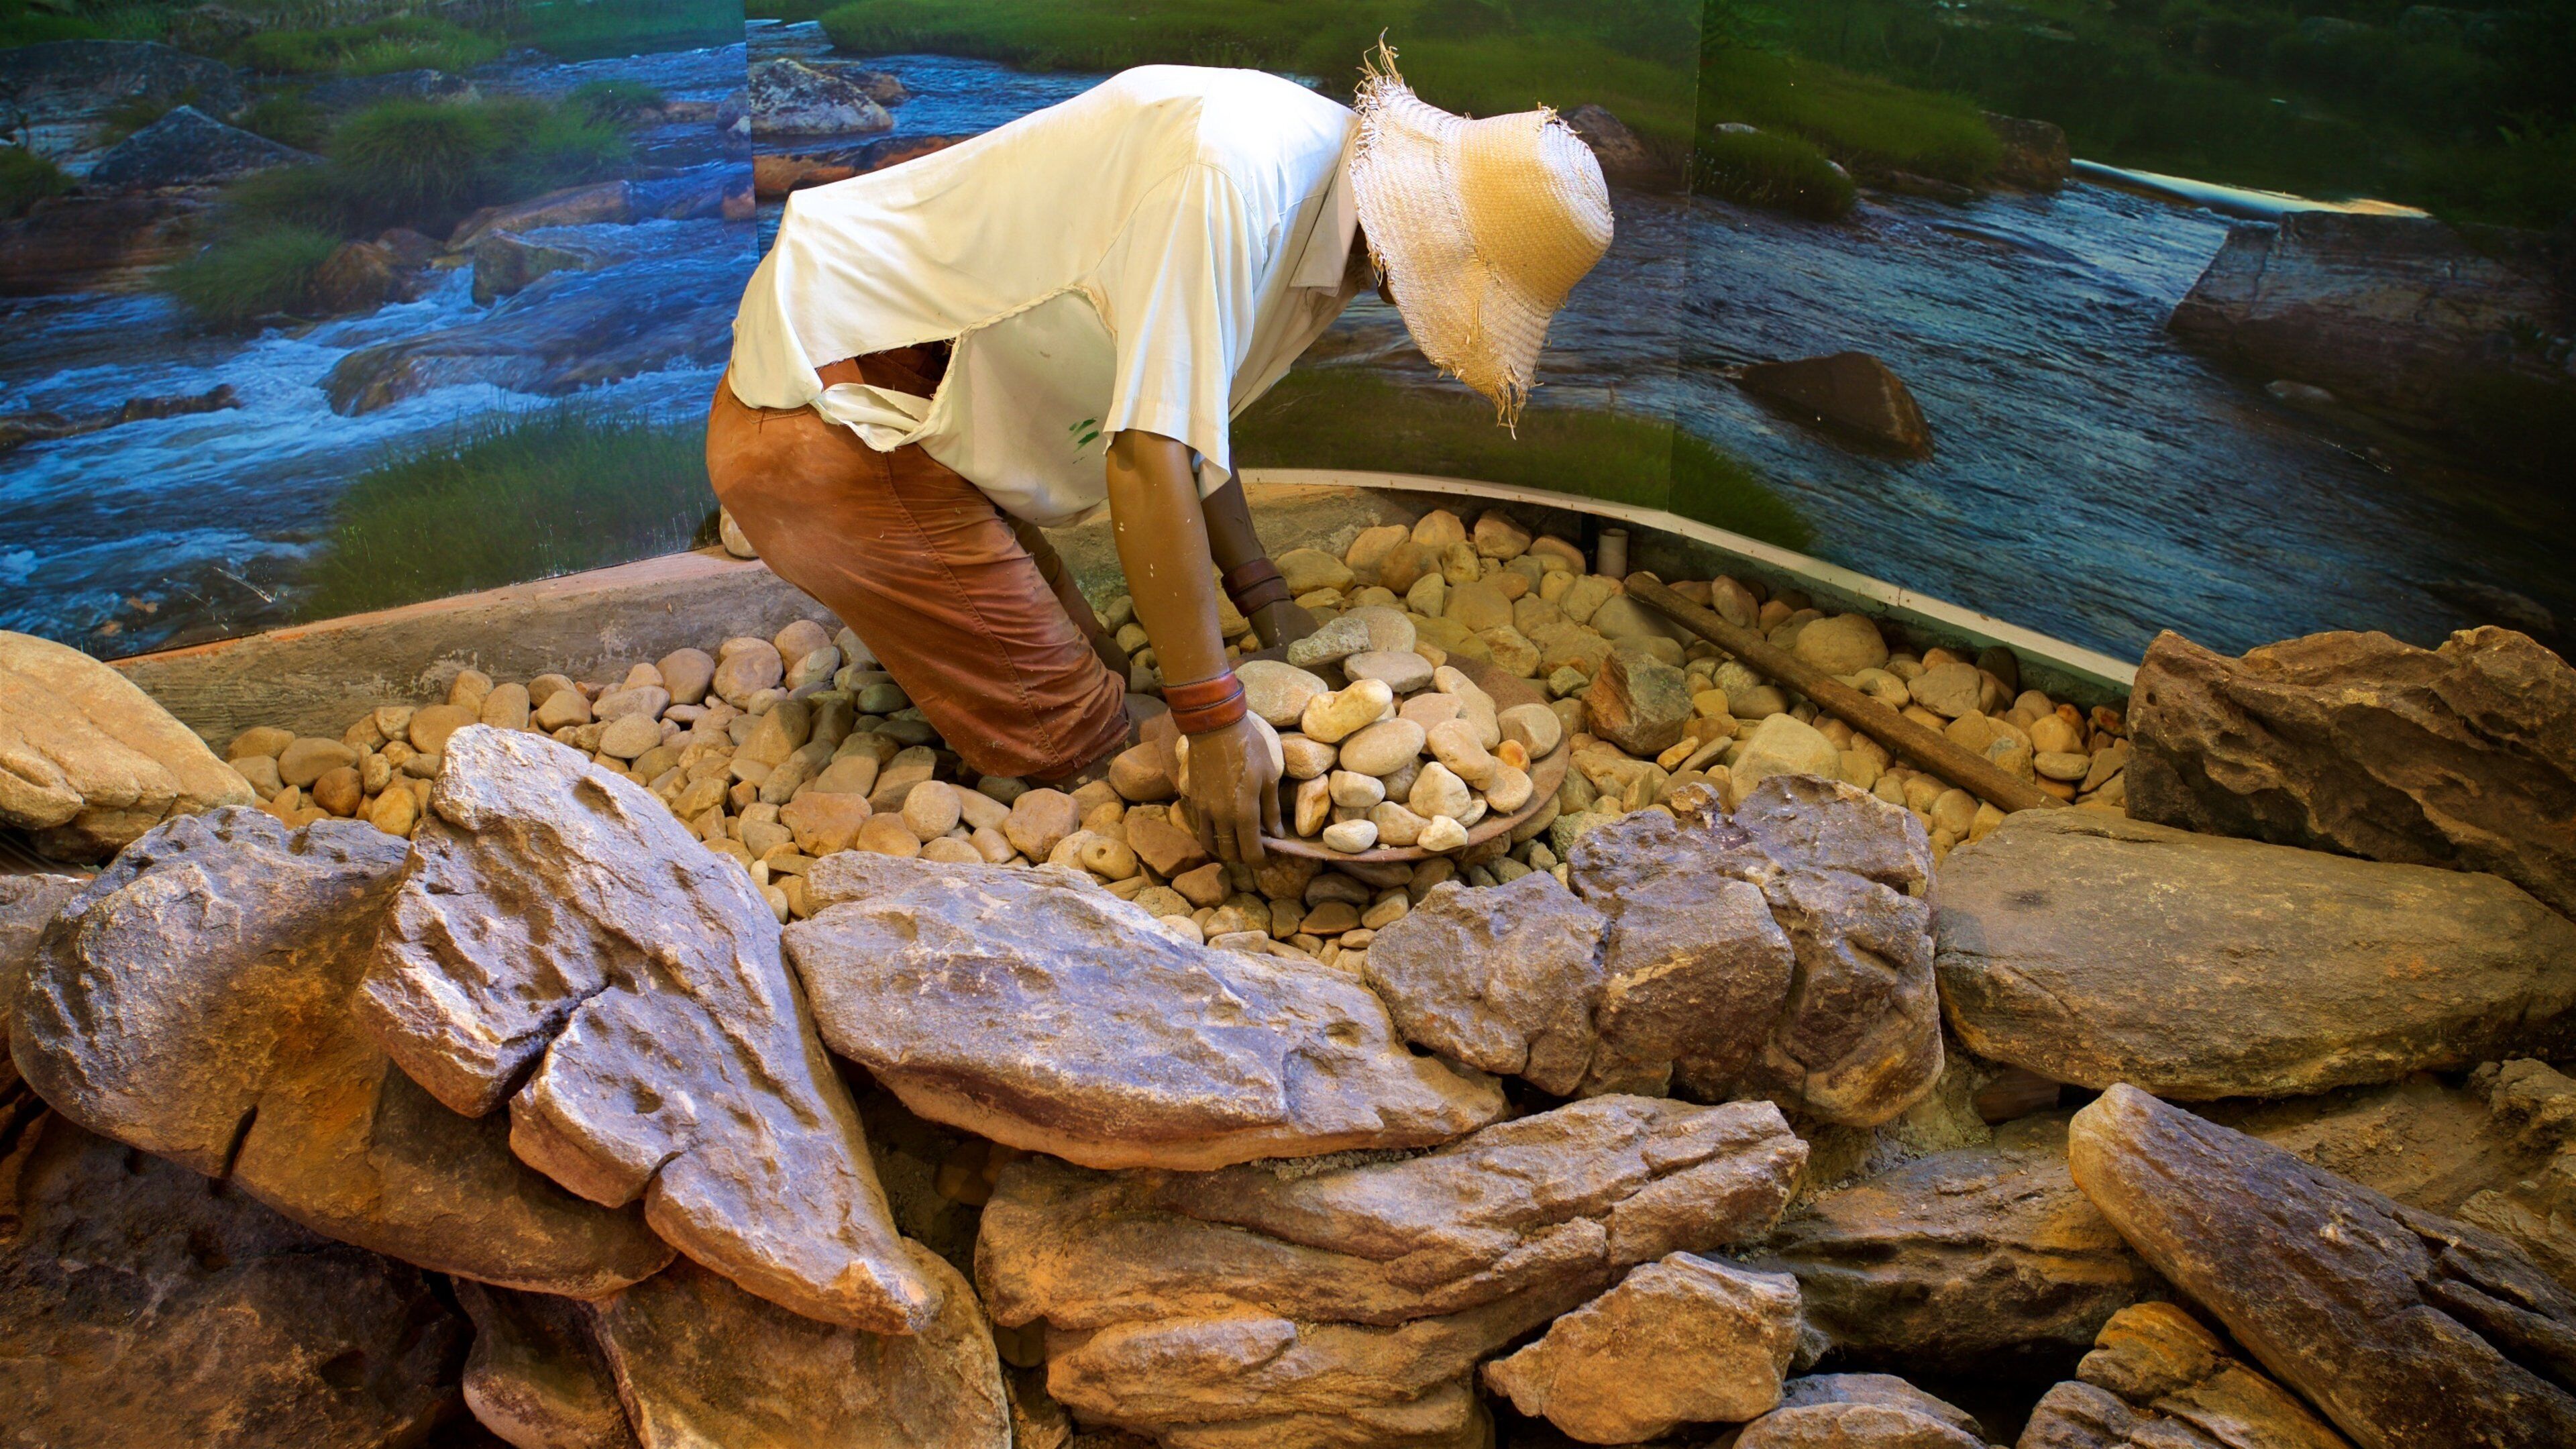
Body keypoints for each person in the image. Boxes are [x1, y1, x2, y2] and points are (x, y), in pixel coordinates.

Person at [708, 44, 1612, 863]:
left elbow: (1190, 413)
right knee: (1092, 738)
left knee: (1113, 677)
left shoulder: (1329, 186)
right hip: (830, 413)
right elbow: (1148, 453)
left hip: (945, 416)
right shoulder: (1231, 184)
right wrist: (1214, 724)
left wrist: (1264, 599)